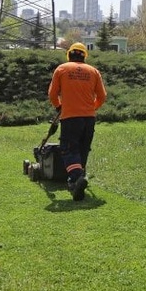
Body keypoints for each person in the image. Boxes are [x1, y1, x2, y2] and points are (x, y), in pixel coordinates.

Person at [48, 42, 108, 201]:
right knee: (83, 148)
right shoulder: (93, 71)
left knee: (68, 149)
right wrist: (91, 108)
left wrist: (58, 106)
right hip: (89, 118)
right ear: (84, 57)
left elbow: (52, 94)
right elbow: (102, 97)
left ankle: (76, 177)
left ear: (69, 55)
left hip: (70, 117)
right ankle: (77, 180)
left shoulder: (61, 69)